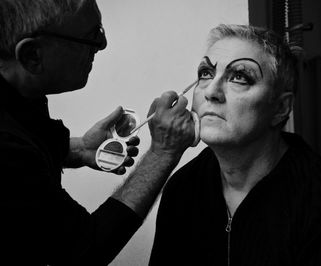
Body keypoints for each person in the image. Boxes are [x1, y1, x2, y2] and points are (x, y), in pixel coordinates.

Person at [149, 24, 321, 266]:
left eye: (240, 77)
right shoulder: (182, 188)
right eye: (206, 73)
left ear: (281, 108)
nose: (211, 92)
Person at [0, 0, 195, 265]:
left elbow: (26, 137)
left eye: (100, 30)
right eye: (91, 37)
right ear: (33, 55)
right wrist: (163, 152)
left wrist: (80, 149)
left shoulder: (18, 88)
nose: (102, 46)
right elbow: (84, 251)